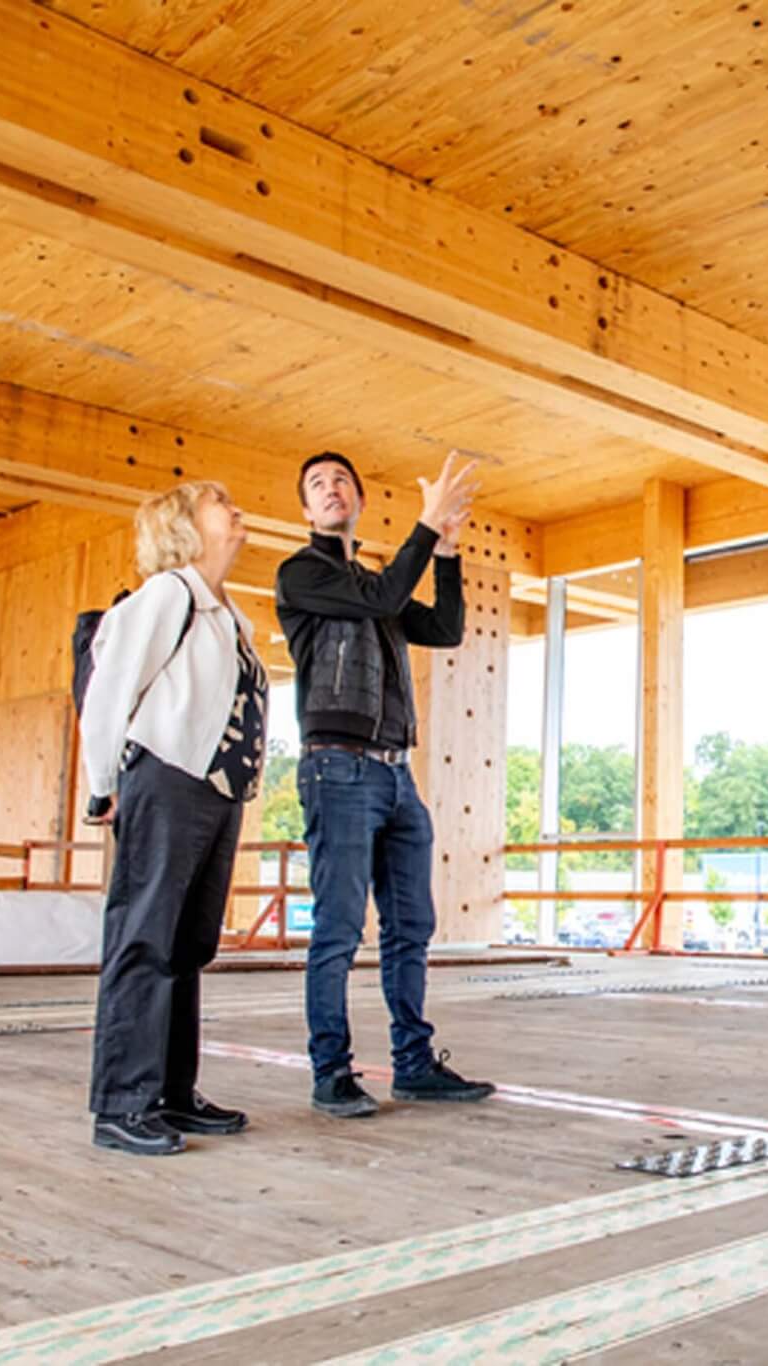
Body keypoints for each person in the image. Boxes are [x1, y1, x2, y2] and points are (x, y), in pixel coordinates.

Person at [275, 450, 494, 1117]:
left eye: (342, 480)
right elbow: (386, 596)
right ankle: (330, 1071)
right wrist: (426, 525)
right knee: (339, 929)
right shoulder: (303, 573)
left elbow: (446, 627)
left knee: (410, 928)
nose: (331, 488)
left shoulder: (377, 582)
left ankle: (414, 1066)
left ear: (360, 501)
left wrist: (449, 552)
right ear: (308, 512)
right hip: (337, 768)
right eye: (317, 484)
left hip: (397, 774)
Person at [78, 481, 267, 1156]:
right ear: (185, 523)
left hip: (216, 791)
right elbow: (109, 690)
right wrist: (102, 788)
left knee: (188, 946)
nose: (235, 505)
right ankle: (121, 1104)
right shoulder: (169, 594)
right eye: (220, 500)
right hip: (165, 779)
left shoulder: (229, 614)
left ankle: (171, 1093)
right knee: (144, 938)